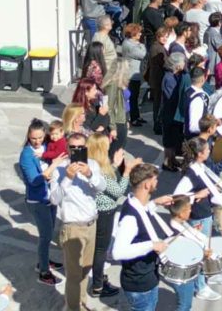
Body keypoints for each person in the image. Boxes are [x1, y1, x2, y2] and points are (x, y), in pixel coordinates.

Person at [49, 131, 107, 311]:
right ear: (67, 148)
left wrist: (90, 174)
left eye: (80, 148)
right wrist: (68, 178)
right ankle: (73, 307)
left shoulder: (93, 165)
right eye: (73, 147)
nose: (76, 151)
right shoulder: (59, 170)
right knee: (74, 274)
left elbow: (102, 188)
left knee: (85, 269)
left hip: (91, 224)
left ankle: (80, 302)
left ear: (86, 148)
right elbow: (54, 199)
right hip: (72, 227)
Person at [171, 138, 222, 301]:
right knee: (200, 252)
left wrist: (212, 189)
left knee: (208, 248)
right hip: (197, 217)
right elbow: (177, 197)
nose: (210, 151)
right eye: (207, 149)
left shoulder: (200, 167)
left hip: (205, 214)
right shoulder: (190, 174)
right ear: (200, 153)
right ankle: (200, 287)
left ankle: (210, 274)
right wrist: (197, 195)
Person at [111, 164, 175, 311]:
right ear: (147, 184)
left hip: (145, 278)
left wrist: (155, 203)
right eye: (155, 180)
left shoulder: (136, 202)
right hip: (139, 283)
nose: (157, 182)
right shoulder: (130, 218)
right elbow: (118, 252)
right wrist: (152, 245)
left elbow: (142, 212)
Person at [18, 119, 64, 286]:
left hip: (49, 197)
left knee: (49, 231)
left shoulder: (48, 146)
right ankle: (44, 271)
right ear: (28, 138)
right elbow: (34, 180)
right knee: (45, 237)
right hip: (37, 200)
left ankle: (44, 260)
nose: (37, 141)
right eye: (33, 139)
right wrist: (52, 169)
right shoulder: (26, 155)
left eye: (40, 138)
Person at [88, 134, 135, 299]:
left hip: (100, 211)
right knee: (100, 249)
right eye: (107, 146)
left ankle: (98, 277)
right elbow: (118, 191)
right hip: (105, 212)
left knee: (98, 248)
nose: (110, 148)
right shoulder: (100, 170)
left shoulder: (95, 165)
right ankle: (98, 286)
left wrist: (115, 165)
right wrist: (127, 172)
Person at [122, 24, 148, 126]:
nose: (140, 34)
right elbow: (143, 55)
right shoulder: (129, 45)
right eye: (138, 32)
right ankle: (133, 118)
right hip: (131, 74)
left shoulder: (133, 43)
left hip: (135, 74)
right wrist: (142, 45)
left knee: (135, 96)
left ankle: (137, 115)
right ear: (132, 33)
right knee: (132, 97)